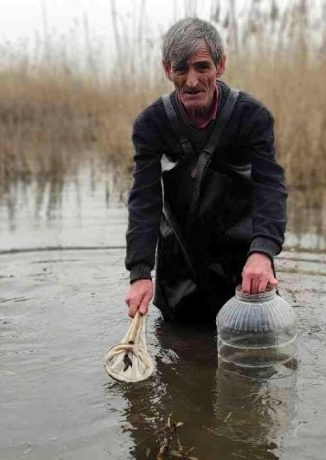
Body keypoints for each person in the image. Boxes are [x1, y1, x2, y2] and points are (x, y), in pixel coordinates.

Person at [123, 17, 288, 323]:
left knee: (253, 361)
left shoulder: (252, 117)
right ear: (166, 70)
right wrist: (140, 273)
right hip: (179, 267)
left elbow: (271, 187)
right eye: (180, 68)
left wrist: (263, 252)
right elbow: (145, 201)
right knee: (175, 359)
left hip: (244, 266)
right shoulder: (151, 124)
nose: (191, 80)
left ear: (220, 65)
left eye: (201, 67)